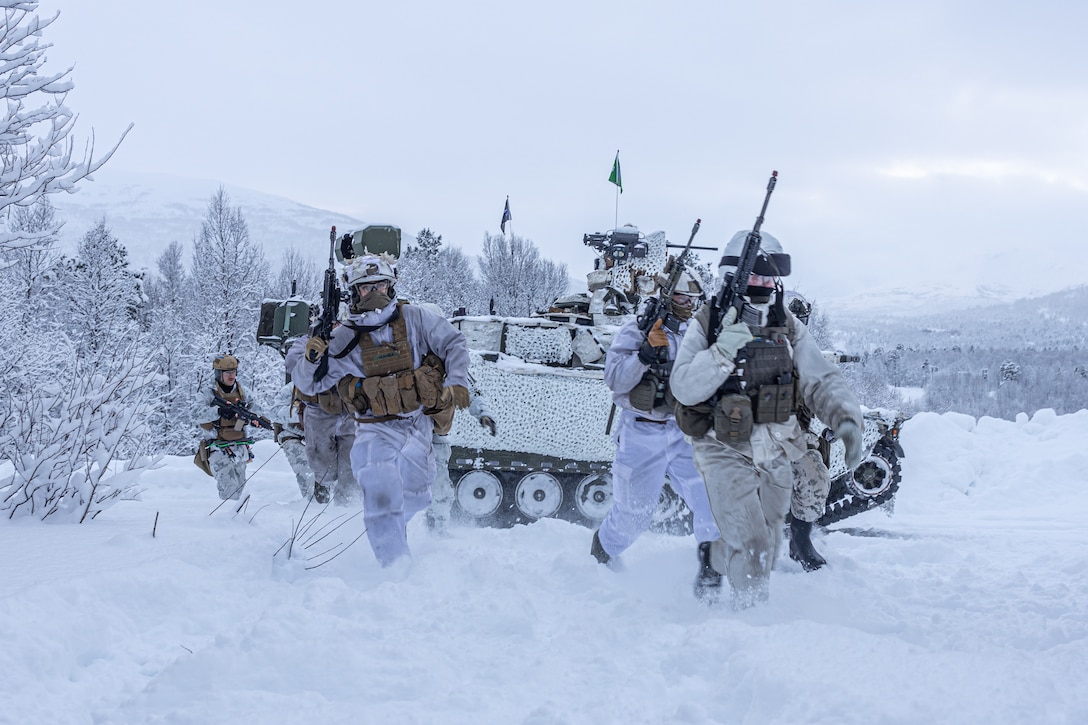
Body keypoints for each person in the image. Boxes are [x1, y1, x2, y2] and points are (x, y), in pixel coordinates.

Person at [670, 231, 864, 608]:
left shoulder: (785, 323)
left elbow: (819, 377)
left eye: (768, 278)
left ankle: (713, 557)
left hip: (777, 445)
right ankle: (751, 630)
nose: (761, 285)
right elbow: (684, 388)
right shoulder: (708, 322)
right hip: (721, 444)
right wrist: (722, 352)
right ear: (733, 277)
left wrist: (845, 419)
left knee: (768, 545)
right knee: (756, 547)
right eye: (754, 277)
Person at [290, 255, 470, 569]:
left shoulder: (413, 318)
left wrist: (456, 381)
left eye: (380, 284)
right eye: (365, 287)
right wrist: (312, 356)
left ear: (391, 285)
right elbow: (310, 383)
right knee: (381, 496)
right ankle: (396, 572)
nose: (374, 291)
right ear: (354, 292)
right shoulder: (345, 337)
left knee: (417, 495)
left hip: (416, 426)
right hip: (373, 429)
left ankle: (392, 530)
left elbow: (453, 343)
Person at [589, 268, 724, 601]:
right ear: (667, 296)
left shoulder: (700, 334)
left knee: (712, 499)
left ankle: (710, 573)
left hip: (684, 432)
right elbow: (615, 380)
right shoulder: (637, 330)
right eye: (681, 296)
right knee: (633, 515)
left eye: (693, 298)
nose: (687, 304)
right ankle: (599, 560)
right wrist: (644, 356)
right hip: (641, 432)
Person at [413, 303, 498, 535]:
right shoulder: (404, 356)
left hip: (435, 435)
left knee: (439, 489)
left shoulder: (448, 358)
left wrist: (483, 413)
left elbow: (466, 388)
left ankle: (437, 531)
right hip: (405, 432)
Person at [286, 337, 357, 506]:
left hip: (351, 411)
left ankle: (347, 513)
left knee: (352, 471)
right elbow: (292, 364)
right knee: (322, 468)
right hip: (319, 411)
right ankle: (320, 504)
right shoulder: (308, 341)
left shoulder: (354, 336)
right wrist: (311, 357)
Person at [195, 354, 266, 501]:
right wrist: (218, 411)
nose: (232, 376)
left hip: (240, 448)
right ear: (219, 373)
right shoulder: (208, 392)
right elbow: (195, 414)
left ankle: (233, 520)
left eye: (234, 372)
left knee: (239, 489)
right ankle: (226, 520)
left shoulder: (242, 391)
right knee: (229, 490)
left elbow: (257, 409)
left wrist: (255, 419)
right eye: (228, 373)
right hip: (218, 448)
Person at [270, 380, 315, 500]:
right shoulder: (292, 388)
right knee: (306, 467)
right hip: (293, 435)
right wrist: (302, 412)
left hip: (321, 436)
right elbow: (274, 412)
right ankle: (313, 504)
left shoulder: (329, 384)